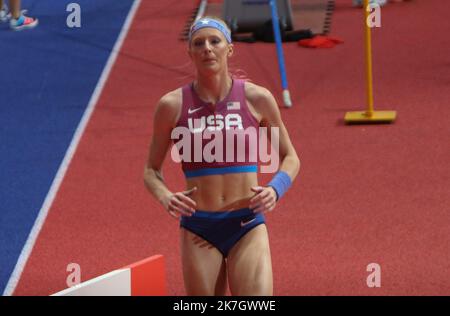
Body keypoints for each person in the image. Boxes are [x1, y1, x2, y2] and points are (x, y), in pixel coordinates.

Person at [143, 17, 300, 296]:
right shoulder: (171, 106)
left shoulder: (257, 99)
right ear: (190, 52)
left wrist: (276, 189)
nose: (207, 48)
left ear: (229, 48)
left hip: (247, 223)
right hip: (199, 227)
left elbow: (290, 157)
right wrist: (165, 196)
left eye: (214, 41)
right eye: (198, 43)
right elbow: (151, 170)